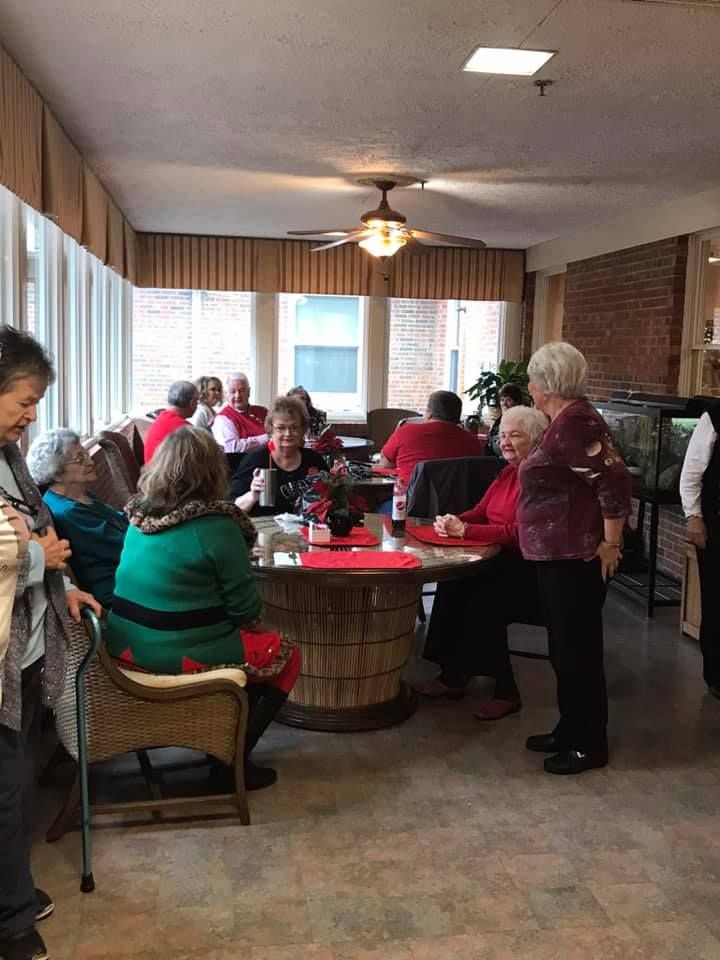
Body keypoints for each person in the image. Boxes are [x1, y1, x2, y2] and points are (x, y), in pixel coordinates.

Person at [106, 427, 301, 791]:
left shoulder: (138, 518)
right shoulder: (218, 525)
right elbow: (249, 614)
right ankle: (230, 760)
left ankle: (220, 731)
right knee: (286, 655)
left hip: (124, 648)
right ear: (214, 471)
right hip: (178, 657)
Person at [0, 326, 101, 960]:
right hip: (3, 657)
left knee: (18, 779)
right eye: (24, 400)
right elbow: (21, 547)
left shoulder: (9, 457)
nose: (32, 415)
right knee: (6, 790)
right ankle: (10, 922)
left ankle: (11, 887)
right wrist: (37, 559)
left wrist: (56, 578)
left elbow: (37, 530)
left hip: (29, 646)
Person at [518, 341, 631, 775]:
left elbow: (614, 482)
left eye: (532, 378)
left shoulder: (576, 422)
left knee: (578, 652)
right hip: (557, 556)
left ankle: (589, 744)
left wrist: (611, 543)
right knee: (563, 650)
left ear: (548, 382)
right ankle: (570, 728)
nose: (529, 386)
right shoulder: (563, 421)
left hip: (575, 557)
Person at [414, 406, 549, 720]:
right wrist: (455, 519)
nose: (505, 442)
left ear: (538, 439)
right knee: (454, 583)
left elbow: (522, 533)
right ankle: (452, 674)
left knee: (484, 600)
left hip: (529, 569)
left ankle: (505, 689)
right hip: (498, 562)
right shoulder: (506, 472)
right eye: (502, 435)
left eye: (515, 435)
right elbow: (481, 511)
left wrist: (467, 530)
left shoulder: (539, 479)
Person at [27, 429, 129, 609]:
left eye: (86, 454)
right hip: (118, 587)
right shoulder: (70, 512)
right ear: (57, 473)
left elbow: (117, 519)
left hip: (127, 571)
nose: (90, 461)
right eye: (80, 459)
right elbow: (124, 547)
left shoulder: (79, 495)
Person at [679, 403, 720, 700]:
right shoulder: (715, 416)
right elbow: (692, 471)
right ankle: (717, 675)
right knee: (717, 599)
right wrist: (693, 516)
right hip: (716, 524)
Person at [231, 396, 327, 515]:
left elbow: (332, 499)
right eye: (281, 428)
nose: (288, 433)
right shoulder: (257, 459)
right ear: (271, 430)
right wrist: (252, 495)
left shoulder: (314, 460)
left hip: (306, 529)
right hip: (264, 530)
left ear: (302, 429)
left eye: (294, 427)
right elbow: (232, 507)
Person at [378, 390, 485, 487]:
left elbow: (385, 465)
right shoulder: (473, 442)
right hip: (458, 507)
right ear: (458, 416)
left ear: (429, 413)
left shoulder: (405, 432)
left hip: (409, 504)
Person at [212, 372, 269, 454]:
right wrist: (266, 438)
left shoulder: (263, 411)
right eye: (233, 391)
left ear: (249, 392)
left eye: (242, 391)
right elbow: (232, 448)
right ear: (226, 394)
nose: (237, 395)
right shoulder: (223, 419)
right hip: (245, 464)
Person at [143, 380, 199, 461]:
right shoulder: (184, 428)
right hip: (165, 473)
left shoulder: (161, 418)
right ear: (192, 403)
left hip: (153, 471)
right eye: (197, 401)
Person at [486, 383, 525, 458]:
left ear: (517, 402)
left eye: (508, 400)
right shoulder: (498, 421)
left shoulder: (521, 421)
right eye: (502, 400)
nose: (504, 404)